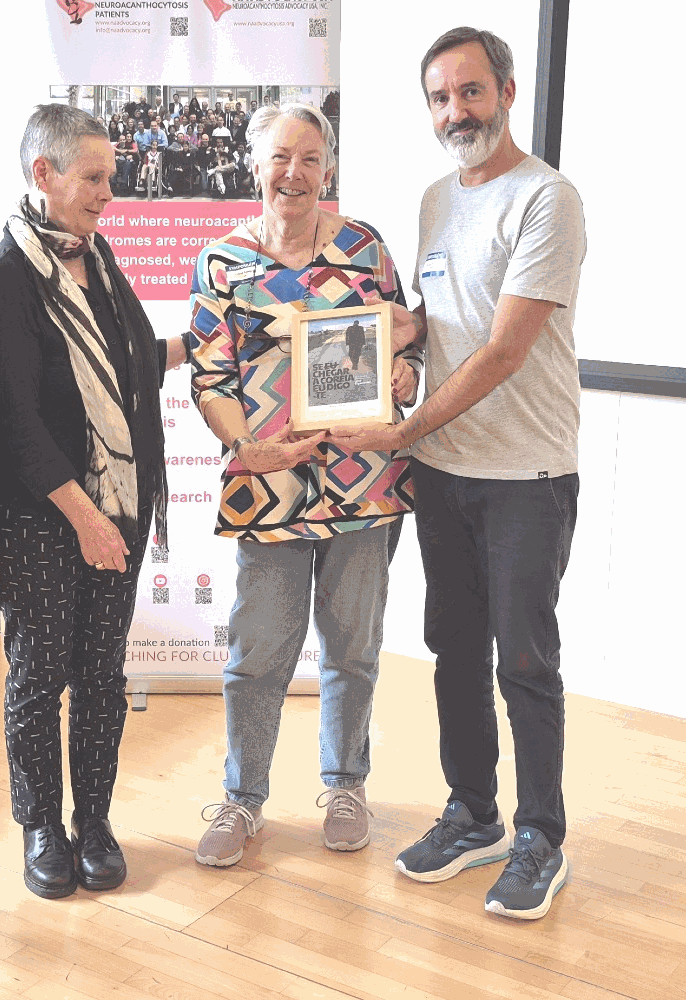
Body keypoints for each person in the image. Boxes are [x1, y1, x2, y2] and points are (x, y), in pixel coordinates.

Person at [330, 27, 586, 921]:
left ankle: (540, 835)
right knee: (452, 653)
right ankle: (473, 813)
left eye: (470, 93)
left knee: (525, 661)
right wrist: (385, 342)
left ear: (508, 91)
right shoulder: (437, 198)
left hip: (526, 471)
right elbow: (440, 320)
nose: (455, 112)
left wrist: (403, 428)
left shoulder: (547, 198)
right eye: (440, 98)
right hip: (444, 473)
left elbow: (505, 349)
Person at [189, 103, 421, 867]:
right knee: (257, 654)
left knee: (353, 649)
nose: (295, 172)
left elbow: (407, 348)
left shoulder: (365, 248)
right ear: (254, 164)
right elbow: (208, 373)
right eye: (281, 156)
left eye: (311, 158)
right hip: (270, 487)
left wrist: (402, 374)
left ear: (328, 168)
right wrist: (245, 446)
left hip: (365, 484)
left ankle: (346, 783)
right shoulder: (221, 260)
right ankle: (242, 799)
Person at [0, 104, 187, 900]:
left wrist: (209, 339)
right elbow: (18, 420)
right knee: (37, 676)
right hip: (42, 516)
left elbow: (130, 362)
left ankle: (93, 822)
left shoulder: (96, 258)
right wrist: (85, 517)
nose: (109, 191)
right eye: (94, 177)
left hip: (116, 508)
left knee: (101, 675)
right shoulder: (6, 276)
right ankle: (41, 828)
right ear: (44, 174)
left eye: (111, 176)